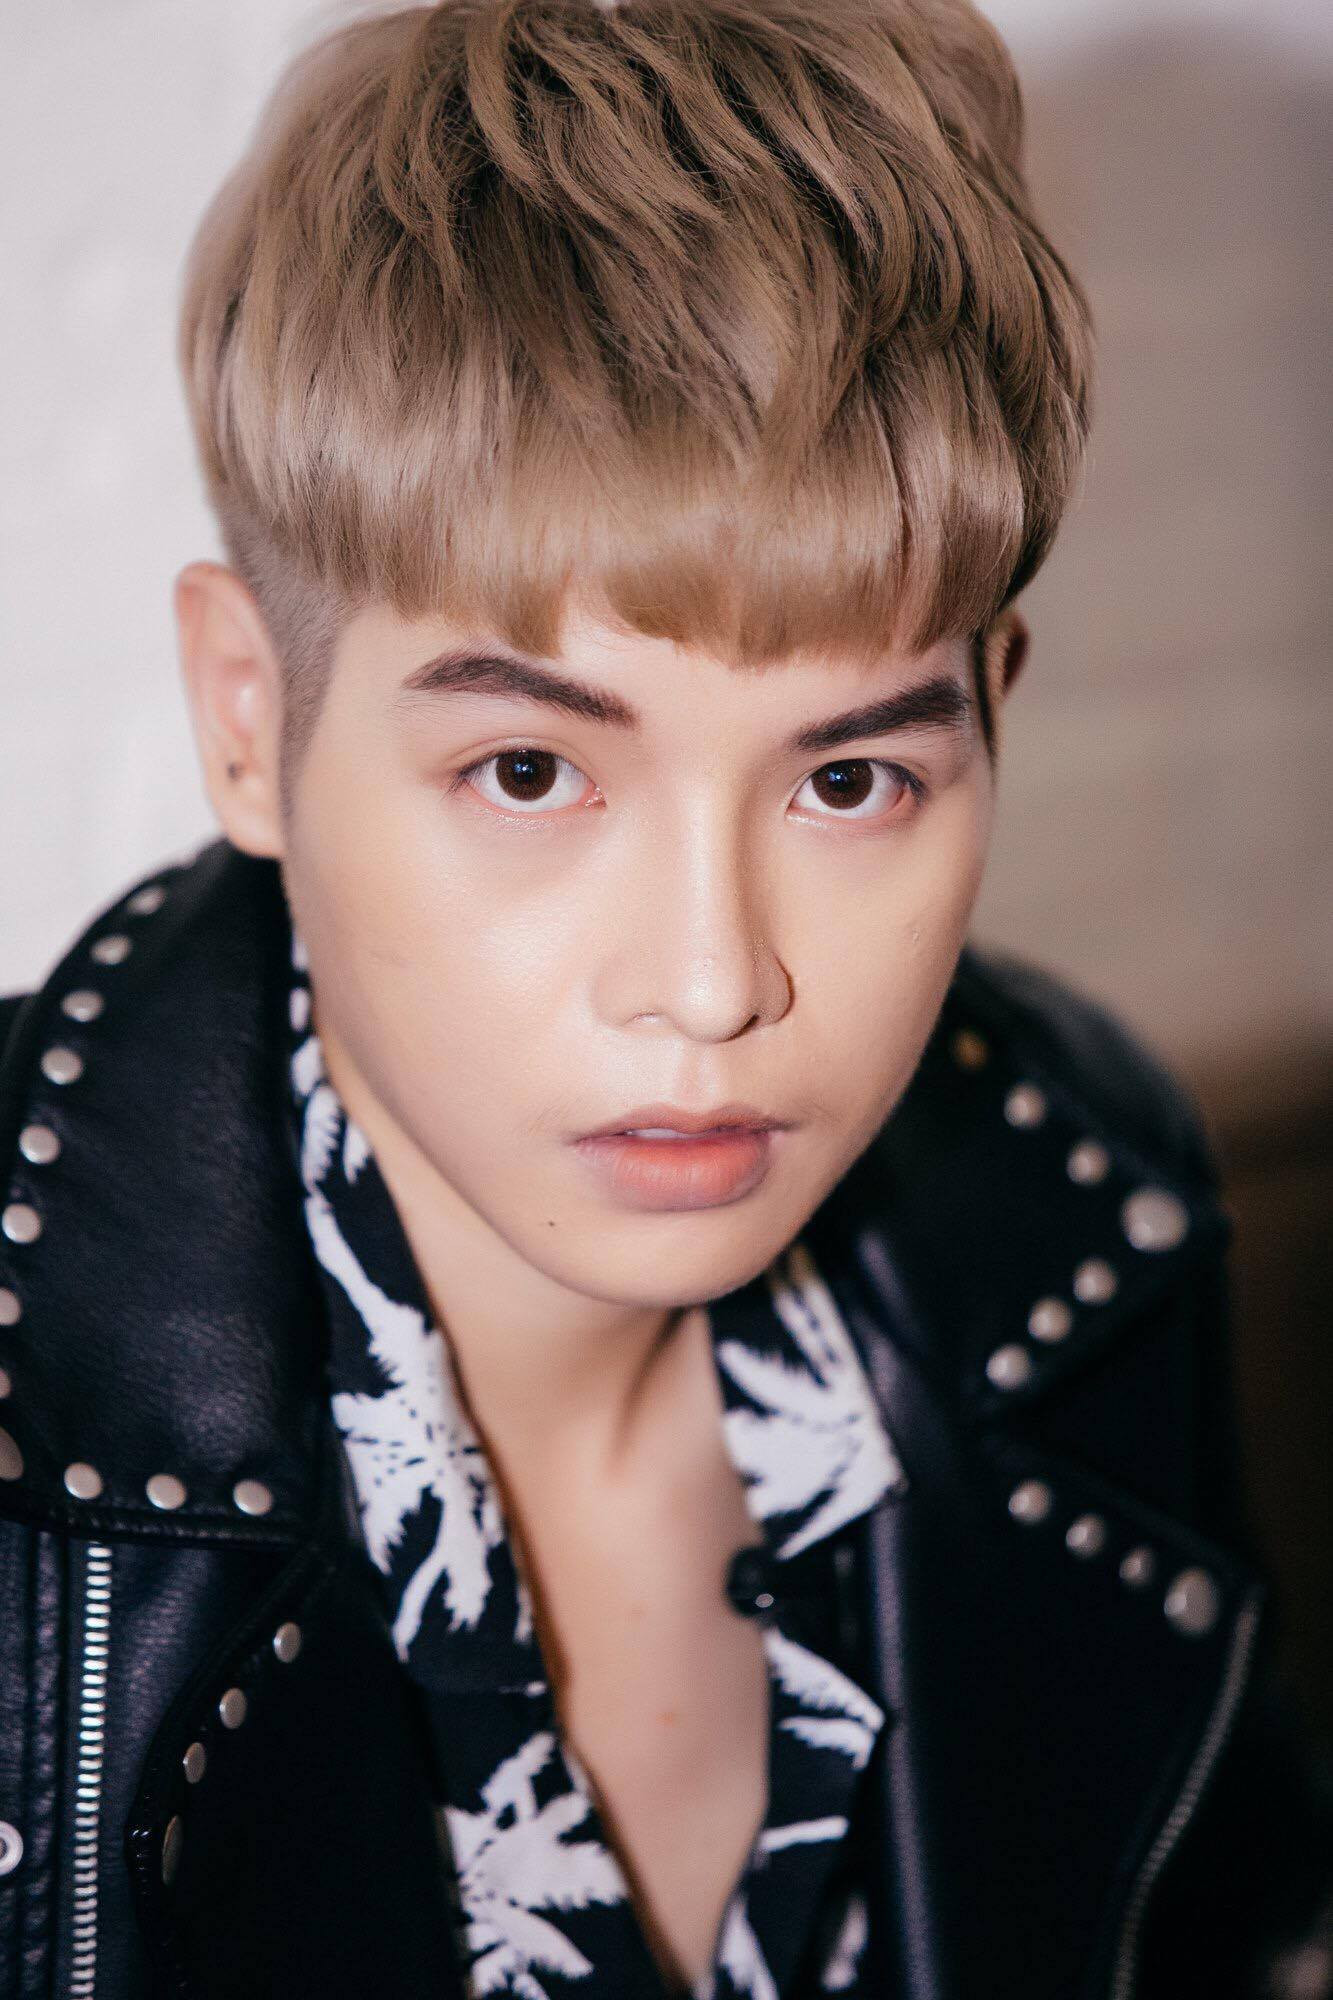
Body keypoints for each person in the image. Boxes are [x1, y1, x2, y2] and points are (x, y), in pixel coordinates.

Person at [1, 1, 1331, 1994]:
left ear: (992, 720)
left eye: (848, 780)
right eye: (531, 770)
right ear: (249, 717)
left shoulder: (1082, 1220)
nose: (712, 984)